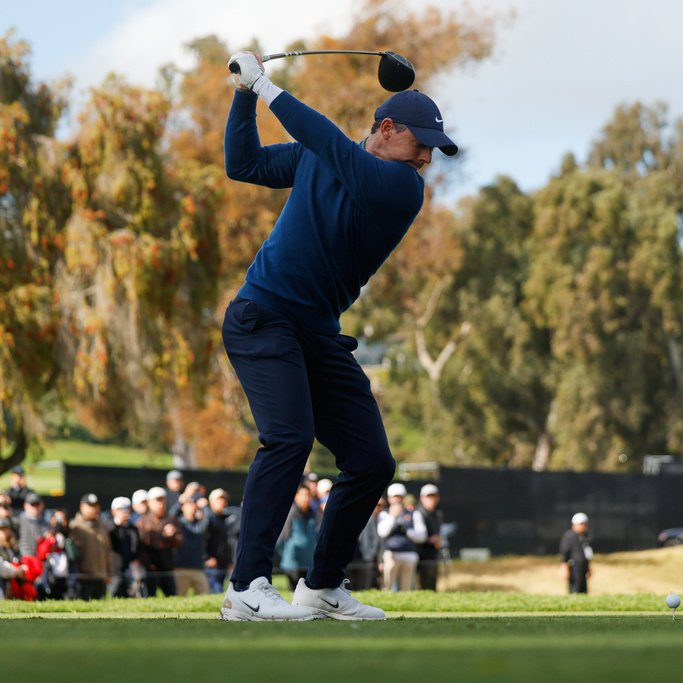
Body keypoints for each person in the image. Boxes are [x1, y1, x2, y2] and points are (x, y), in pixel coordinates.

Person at [217, 50, 456, 622]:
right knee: (290, 439)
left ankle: (321, 586)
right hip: (263, 317)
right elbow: (242, 164)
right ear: (387, 128)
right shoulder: (324, 159)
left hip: (318, 335)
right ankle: (246, 587)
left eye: (433, 148)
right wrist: (244, 95)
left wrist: (266, 84)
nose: (427, 156)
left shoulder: (401, 187)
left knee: (373, 461)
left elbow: (326, 139)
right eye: (420, 142)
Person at [377, 483, 427, 592]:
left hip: (409, 555)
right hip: (391, 555)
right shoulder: (384, 514)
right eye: (395, 497)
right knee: (388, 588)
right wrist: (392, 516)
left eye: (400, 497)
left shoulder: (414, 514)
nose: (397, 500)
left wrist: (408, 532)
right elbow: (382, 532)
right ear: (389, 498)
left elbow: (422, 536)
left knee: (407, 589)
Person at [136, 487, 182, 598]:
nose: (160, 504)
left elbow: (180, 543)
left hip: (167, 567)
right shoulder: (142, 522)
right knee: (150, 598)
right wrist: (147, 563)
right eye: (157, 501)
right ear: (150, 502)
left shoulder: (171, 520)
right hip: (150, 569)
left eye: (162, 500)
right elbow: (139, 547)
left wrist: (173, 536)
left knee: (172, 597)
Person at [277, 485, 322, 591]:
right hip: (293, 564)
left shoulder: (314, 514)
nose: (306, 498)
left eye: (308, 495)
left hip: (309, 563)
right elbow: (281, 539)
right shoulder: (291, 513)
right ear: (296, 497)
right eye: (303, 495)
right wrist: (288, 555)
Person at [68, 493, 112, 600]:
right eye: (90, 506)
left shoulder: (102, 526)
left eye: (95, 506)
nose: (93, 509)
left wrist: (108, 571)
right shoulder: (75, 526)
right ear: (81, 507)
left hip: (101, 576)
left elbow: (107, 550)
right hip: (83, 578)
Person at [108, 496, 145, 598]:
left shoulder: (133, 529)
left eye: (126, 509)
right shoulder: (110, 526)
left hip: (131, 570)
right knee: (116, 596)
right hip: (116, 571)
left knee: (133, 596)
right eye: (120, 509)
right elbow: (109, 541)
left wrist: (137, 560)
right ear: (113, 511)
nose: (124, 512)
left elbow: (139, 549)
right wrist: (118, 523)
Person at [172, 497, 210, 596]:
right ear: (182, 508)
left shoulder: (199, 524)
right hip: (181, 568)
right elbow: (171, 515)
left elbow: (208, 521)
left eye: (194, 504)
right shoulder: (178, 523)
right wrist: (180, 502)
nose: (192, 506)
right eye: (189, 504)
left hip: (198, 567)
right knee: (179, 598)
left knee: (205, 596)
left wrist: (205, 507)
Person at [204, 489, 236, 593]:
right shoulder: (208, 518)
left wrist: (229, 561)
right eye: (219, 500)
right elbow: (203, 540)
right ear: (211, 502)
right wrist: (207, 558)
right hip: (212, 564)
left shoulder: (224, 519)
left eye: (224, 499)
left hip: (223, 563)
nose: (223, 502)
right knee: (216, 591)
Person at [36, 509, 72, 600]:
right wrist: (51, 538)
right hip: (50, 574)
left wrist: (67, 540)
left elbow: (74, 555)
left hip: (66, 575)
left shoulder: (70, 535)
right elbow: (41, 554)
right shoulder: (46, 534)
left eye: (62, 519)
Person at [414, 484, 444, 591]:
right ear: (422, 498)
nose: (431, 499)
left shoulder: (437, 513)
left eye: (433, 496)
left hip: (432, 554)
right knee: (420, 585)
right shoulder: (418, 512)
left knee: (431, 584)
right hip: (419, 555)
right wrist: (428, 540)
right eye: (428, 496)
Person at [559, 512, 594, 594]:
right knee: (575, 588)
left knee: (583, 589)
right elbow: (564, 553)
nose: (583, 526)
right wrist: (564, 567)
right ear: (574, 524)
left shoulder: (585, 536)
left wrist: (588, 568)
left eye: (585, 524)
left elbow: (587, 553)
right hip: (573, 567)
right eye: (581, 524)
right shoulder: (569, 536)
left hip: (583, 567)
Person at [16, 492, 46, 561]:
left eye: (37, 504)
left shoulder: (44, 522)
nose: (35, 507)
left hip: (41, 561)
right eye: (32, 504)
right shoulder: (17, 522)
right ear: (25, 506)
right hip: (25, 561)